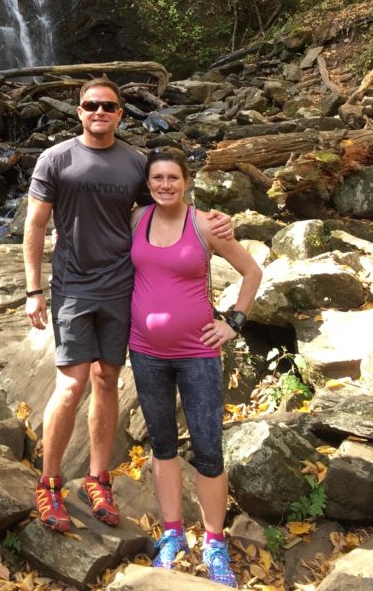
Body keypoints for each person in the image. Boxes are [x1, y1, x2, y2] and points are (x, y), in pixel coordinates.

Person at [23, 78, 233, 534]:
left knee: (106, 378)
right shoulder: (55, 158)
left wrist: (212, 220)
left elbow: (165, 203)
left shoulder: (136, 164)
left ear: (121, 113)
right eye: (91, 105)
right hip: (74, 287)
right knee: (71, 383)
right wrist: (33, 289)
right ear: (79, 111)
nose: (99, 111)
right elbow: (35, 224)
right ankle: (49, 482)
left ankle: (99, 479)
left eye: (109, 106)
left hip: (122, 288)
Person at [129, 146, 262, 587]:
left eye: (172, 178)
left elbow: (251, 272)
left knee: (208, 449)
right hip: (144, 350)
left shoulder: (205, 224)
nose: (164, 185)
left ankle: (214, 540)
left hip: (198, 353)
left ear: (186, 181)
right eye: (157, 179)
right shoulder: (136, 220)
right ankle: (171, 534)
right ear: (147, 184)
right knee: (163, 444)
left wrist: (233, 324)